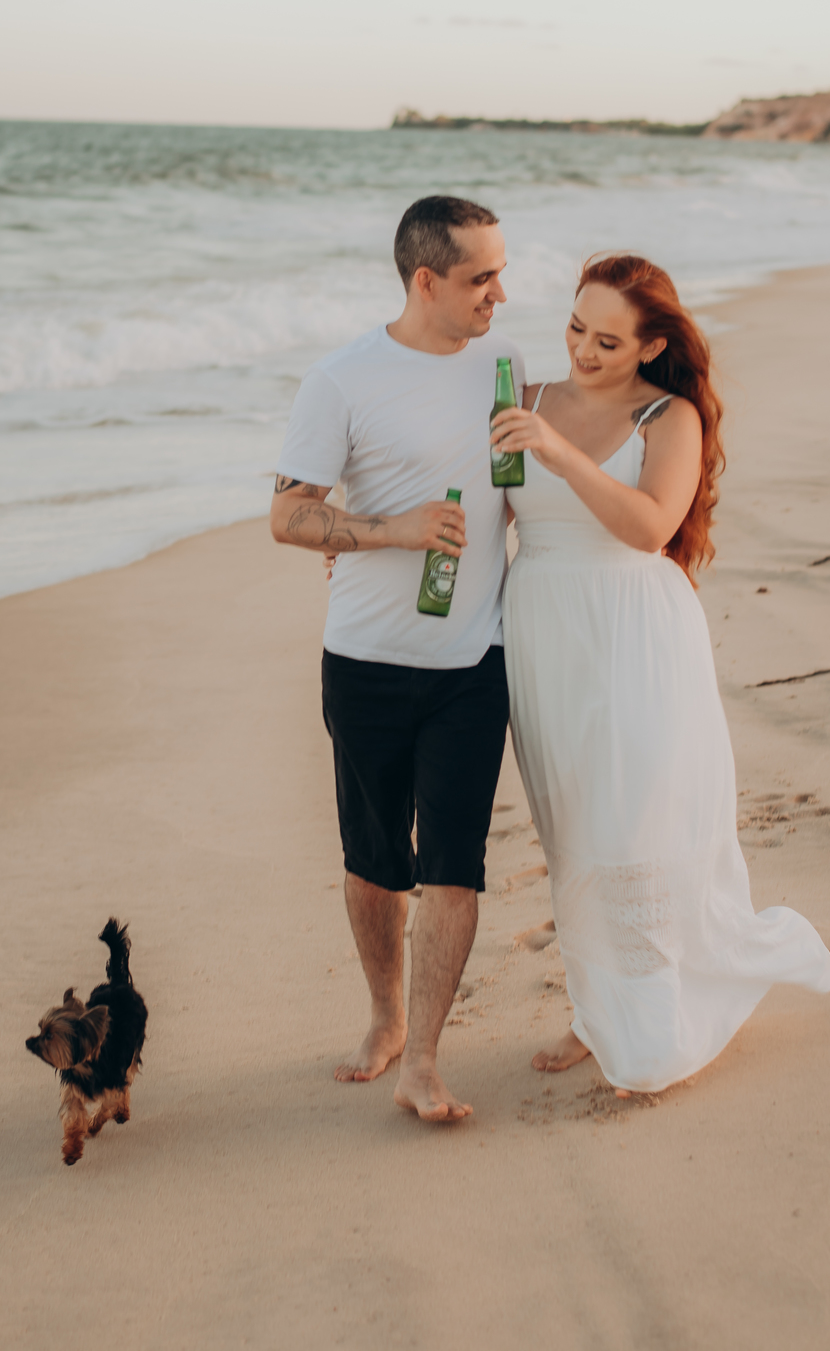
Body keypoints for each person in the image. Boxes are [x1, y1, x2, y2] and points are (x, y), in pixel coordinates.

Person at [490, 253, 830, 1096]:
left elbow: (649, 528)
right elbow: (489, 504)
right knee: (571, 828)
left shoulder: (668, 416)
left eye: (608, 340)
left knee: (636, 823)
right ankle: (591, 1009)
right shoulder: (522, 397)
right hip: (543, 625)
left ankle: (657, 1012)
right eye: (576, 328)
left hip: (636, 632)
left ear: (650, 346)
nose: (583, 349)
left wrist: (563, 453)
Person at [271, 195, 524, 1123]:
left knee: (456, 864)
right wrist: (393, 530)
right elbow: (289, 514)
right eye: (481, 277)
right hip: (369, 661)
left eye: (500, 269)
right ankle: (384, 1016)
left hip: (474, 659)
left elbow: (513, 488)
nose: (501, 291)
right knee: (377, 861)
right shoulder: (341, 379)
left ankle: (422, 1058)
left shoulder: (505, 362)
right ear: (426, 280)